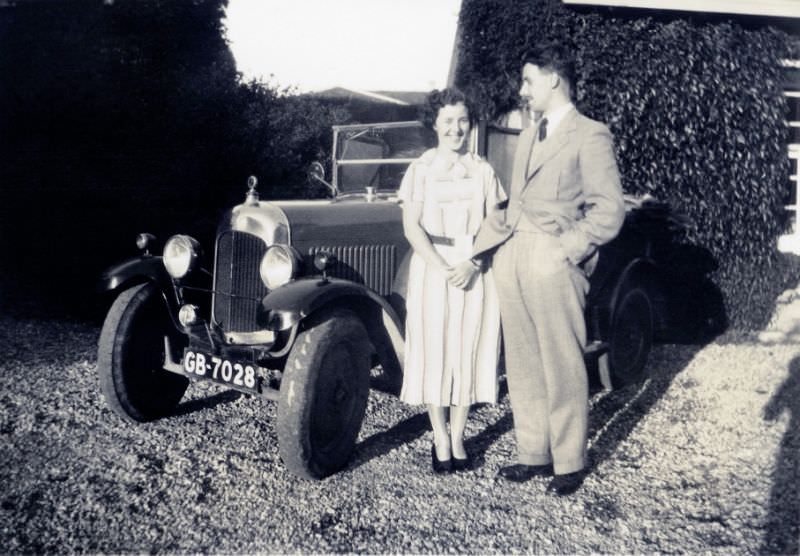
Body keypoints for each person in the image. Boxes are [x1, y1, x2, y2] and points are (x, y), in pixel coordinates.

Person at [472, 42, 626, 495]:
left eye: (528, 80)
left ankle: (569, 460)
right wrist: (485, 245)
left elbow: (609, 211)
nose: (523, 90)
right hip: (513, 256)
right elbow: (514, 203)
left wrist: (567, 249)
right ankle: (533, 453)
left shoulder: (590, 134)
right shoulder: (529, 134)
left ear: (553, 79)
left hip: (553, 259)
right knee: (521, 362)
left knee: (561, 362)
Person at [398, 88, 506, 474]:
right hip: (433, 269)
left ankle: (459, 435)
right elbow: (411, 227)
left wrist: (474, 261)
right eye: (448, 121)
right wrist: (442, 266)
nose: (456, 129)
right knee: (435, 352)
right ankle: (439, 436)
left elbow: (496, 225)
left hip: (475, 268)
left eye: (462, 120)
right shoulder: (420, 170)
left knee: (468, 351)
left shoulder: (483, 170)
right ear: (434, 124)